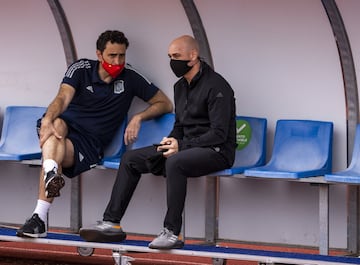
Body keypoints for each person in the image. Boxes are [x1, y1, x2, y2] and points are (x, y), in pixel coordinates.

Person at [79, 35, 236, 249]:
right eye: (170, 56)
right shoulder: (180, 86)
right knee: (130, 158)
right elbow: (181, 125)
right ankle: (111, 224)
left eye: (177, 56)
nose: (173, 61)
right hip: (187, 147)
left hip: (217, 151)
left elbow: (219, 134)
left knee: (175, 162)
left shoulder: (217, 86)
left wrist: (181, 146)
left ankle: (172, 233)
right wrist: (171, 140)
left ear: (193, 55)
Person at [16, 30, 173, 238]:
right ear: (99, 55)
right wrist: (47, 119)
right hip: (62, 128)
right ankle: (46, 190)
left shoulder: (131, 78)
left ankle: (43, 204)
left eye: (122, 56)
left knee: (54, 143)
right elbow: (63, 97)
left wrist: (139, 117)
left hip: (87, 144)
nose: (117, 61)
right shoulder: (81, 68)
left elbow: (165, 103)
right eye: (112, 56)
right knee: (57, 126)